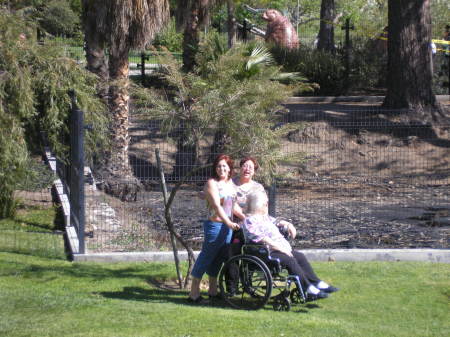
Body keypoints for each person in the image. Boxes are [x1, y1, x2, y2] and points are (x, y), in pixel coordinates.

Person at [242, 190, 339, 301]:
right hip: (264, 253)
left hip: (277, 250)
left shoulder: (265, 217)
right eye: (265, 203)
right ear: (258, 205)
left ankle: (316, 283)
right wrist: (280, 248)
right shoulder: (249, 220)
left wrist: (288, 225)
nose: (267, 205)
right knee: (289, 260)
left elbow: (277, 221)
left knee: (300, 256)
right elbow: (262, 238)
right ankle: (308, 288)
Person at [188, 154, 241, 303]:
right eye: (218, 166)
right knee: (206, 257)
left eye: (224, 166)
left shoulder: (231, 184)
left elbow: (233, 205)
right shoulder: (211, 183)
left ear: (229, 168)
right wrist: (228, 223)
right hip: (216, 226)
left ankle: (212, 291)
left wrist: (245, 218)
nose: (221, 168)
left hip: (227, 227)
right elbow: (217, 206)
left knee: (217, 259)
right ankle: (194, 294)